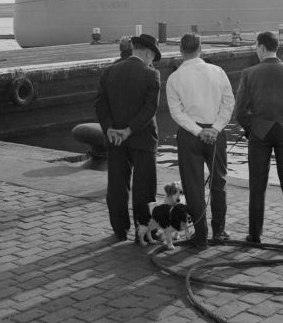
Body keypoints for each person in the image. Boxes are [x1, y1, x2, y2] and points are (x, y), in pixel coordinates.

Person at [234, 31, 283, 247]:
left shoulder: (249, 73)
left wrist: (250, 129)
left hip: (259, 133)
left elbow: (240, 111)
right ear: (276, 48)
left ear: (261, 47)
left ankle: (255, 234)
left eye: (256, 47)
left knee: (257, 185)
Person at [166, 33, 235, 249]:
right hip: (216, 134)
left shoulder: (174, 78)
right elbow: (228, 102)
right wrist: (215, 128)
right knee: (218, 182)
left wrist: (197, 131)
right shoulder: (218, 72)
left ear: (180, 50)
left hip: (189, 135)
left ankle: (200, 235)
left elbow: (176, 113)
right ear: (201, 48)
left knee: (193, 186)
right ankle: (220, 230)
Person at [94, 33, 161, 242]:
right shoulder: (151, 75)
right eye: (153, 57)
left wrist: (110, 129)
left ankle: (120, 229)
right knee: (144, 186)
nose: (152, 61)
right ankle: (143, 230)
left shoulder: (109, 71)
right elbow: (150, 108)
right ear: (148, 53)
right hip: (143, 138)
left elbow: (100, 104)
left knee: (116, 185)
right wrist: (130, 130)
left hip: (115, 139)